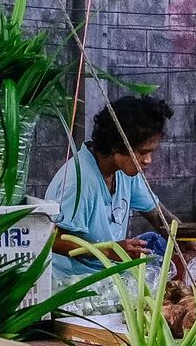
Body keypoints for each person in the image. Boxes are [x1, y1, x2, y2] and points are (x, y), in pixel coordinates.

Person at [46, 94, 174, 279]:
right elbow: (53, 239)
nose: (148, 161)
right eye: (142, 152)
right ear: (116, 146)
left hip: (109, 277)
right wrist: (109, 250)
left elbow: (157, 215)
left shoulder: (125, 172)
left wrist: (185, 237)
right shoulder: (79, 181)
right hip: (73, 283)